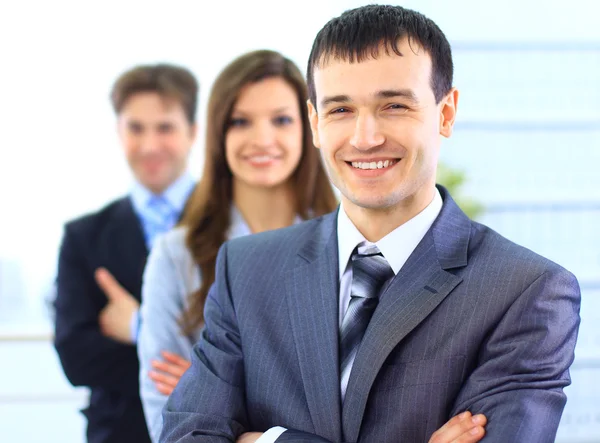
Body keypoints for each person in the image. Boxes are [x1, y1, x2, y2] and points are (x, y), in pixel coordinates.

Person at [161, 5, 581, 443]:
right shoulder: (247, 270)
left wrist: (269, 440)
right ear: (315, 123)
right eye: (341, 109)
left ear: (446, 113)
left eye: (394, 105)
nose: (365, 138)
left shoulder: (527, 292)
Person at [137, 49, 338, 442]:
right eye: (240, 121)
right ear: (218, 134)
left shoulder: (349, 242)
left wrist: (224, 409)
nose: (262, 139)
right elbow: (171, 424)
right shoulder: (176, 257)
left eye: (281, 120)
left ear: (310, 126)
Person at [53, 63, 198, 443]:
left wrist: (139, 327)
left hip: (216, 428)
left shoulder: (231, 223)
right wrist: (192, 361)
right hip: (117, 432)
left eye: (165, 128)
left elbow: (253, 347)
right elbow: (76, 357)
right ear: (119, 133)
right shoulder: (83, 236)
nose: (150, 145)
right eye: (136, 128)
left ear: (193, 133)